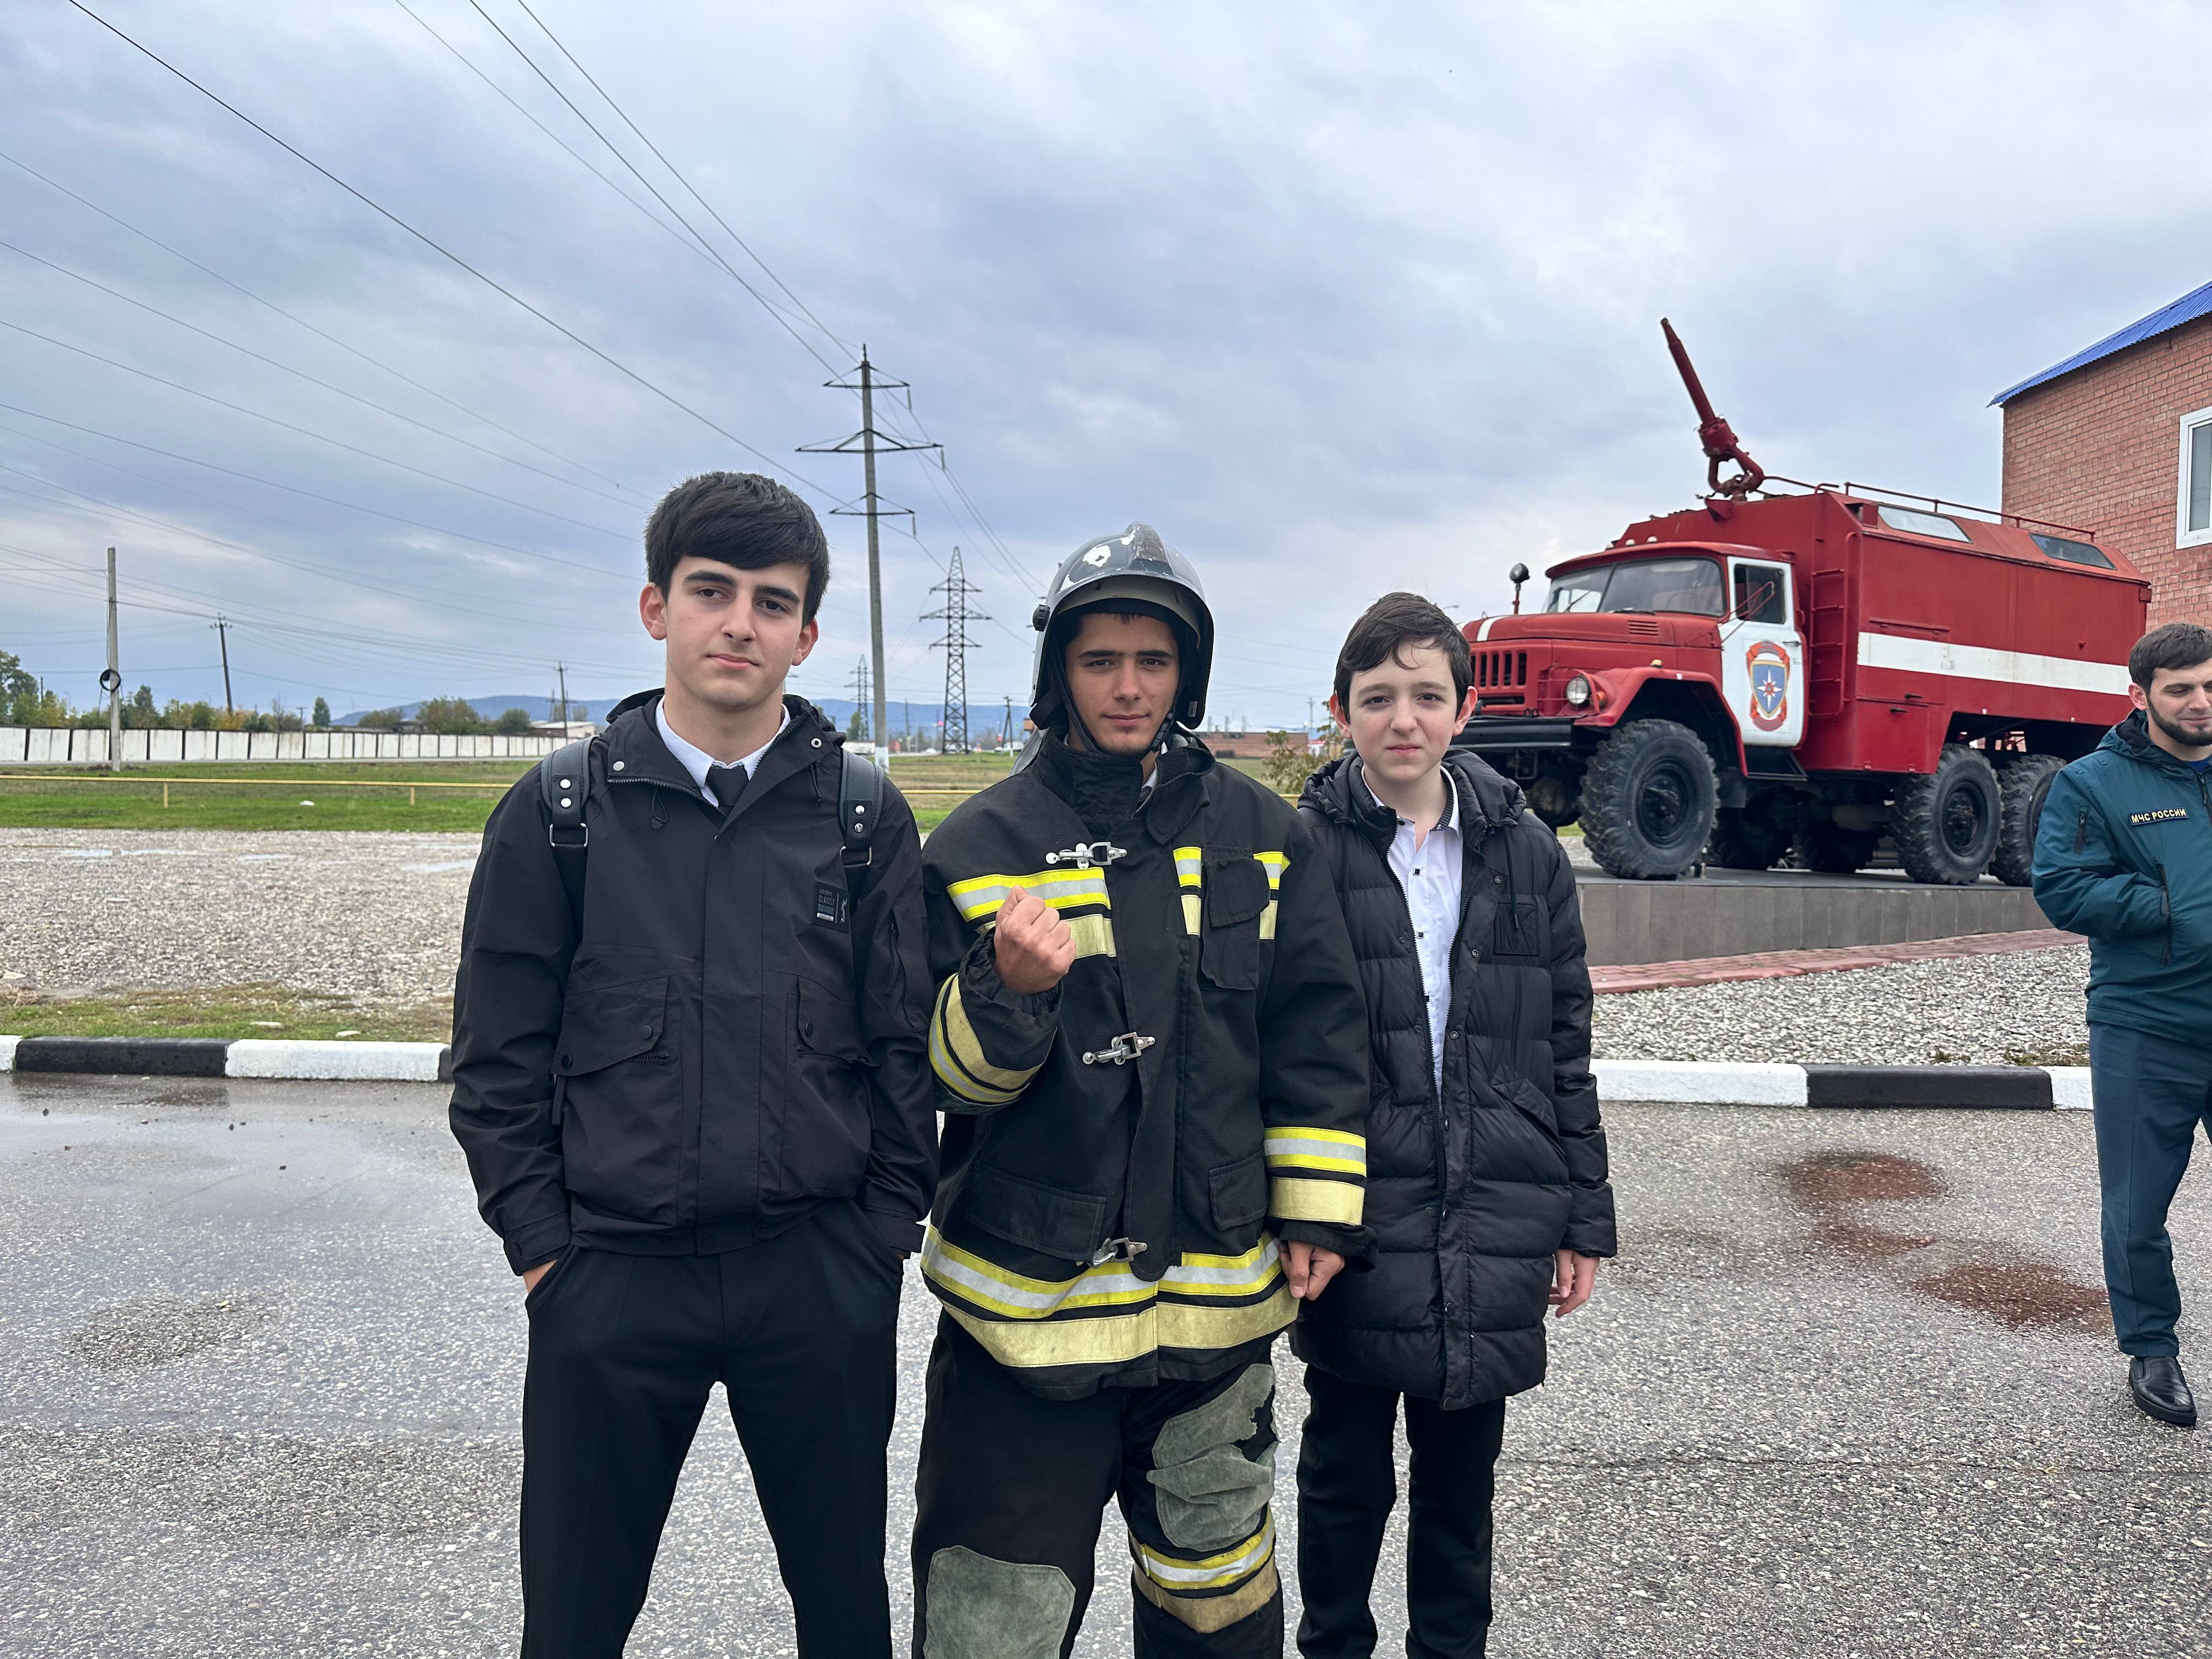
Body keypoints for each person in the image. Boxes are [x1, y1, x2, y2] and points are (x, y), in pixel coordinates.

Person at [448, 471, 936, 1656]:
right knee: (573, 1621)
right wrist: (546, 1254)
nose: (740, 624)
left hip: (816, 1275)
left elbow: (901, 1049)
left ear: (806, 636)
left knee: (846, 1617)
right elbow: (498, 1061)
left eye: (774, 603)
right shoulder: (559, 814)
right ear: (655, 607)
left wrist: (877, 1241)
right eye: (711, 591)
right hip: (611, 1276)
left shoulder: (862, 817)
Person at [908, 523, 1370, 1658]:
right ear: (1057, 670)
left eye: (1153, 661)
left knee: (1217, 1609)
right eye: (1100, 660)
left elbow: (1315, 1034)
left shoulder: (1268, 838)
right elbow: (940, 1081)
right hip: (1023, 1335)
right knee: (991, 1625)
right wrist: (1005, 995)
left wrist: (1318, 1212)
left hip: (1213, 1322)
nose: (1128, 687)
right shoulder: (976, 846)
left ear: (1186, 674)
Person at [1291, 592, 1615, 1659]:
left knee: (1461, 1489)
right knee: (1342, 1475)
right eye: (1378, 697)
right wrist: (1299, 1212)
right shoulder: (1304, 851)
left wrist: (1582, 1217)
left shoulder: (1527, 853)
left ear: (1465, 709)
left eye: (1427, 696)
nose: (1404, 720)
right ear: (1342, 711)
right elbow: (1277, 1044)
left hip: (1495, 1204)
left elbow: (1563, 1042)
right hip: (1356, 1210)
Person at [2033, 619, 2212, 1430]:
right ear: (2139, 695)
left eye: (2210, 686)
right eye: (2181, 690)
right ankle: (2151, 1349)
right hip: (2147, 1023)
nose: (2201, 702)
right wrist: (2175, 905)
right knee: (2138, 1207)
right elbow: (2064, 888)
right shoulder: (2091, 784)